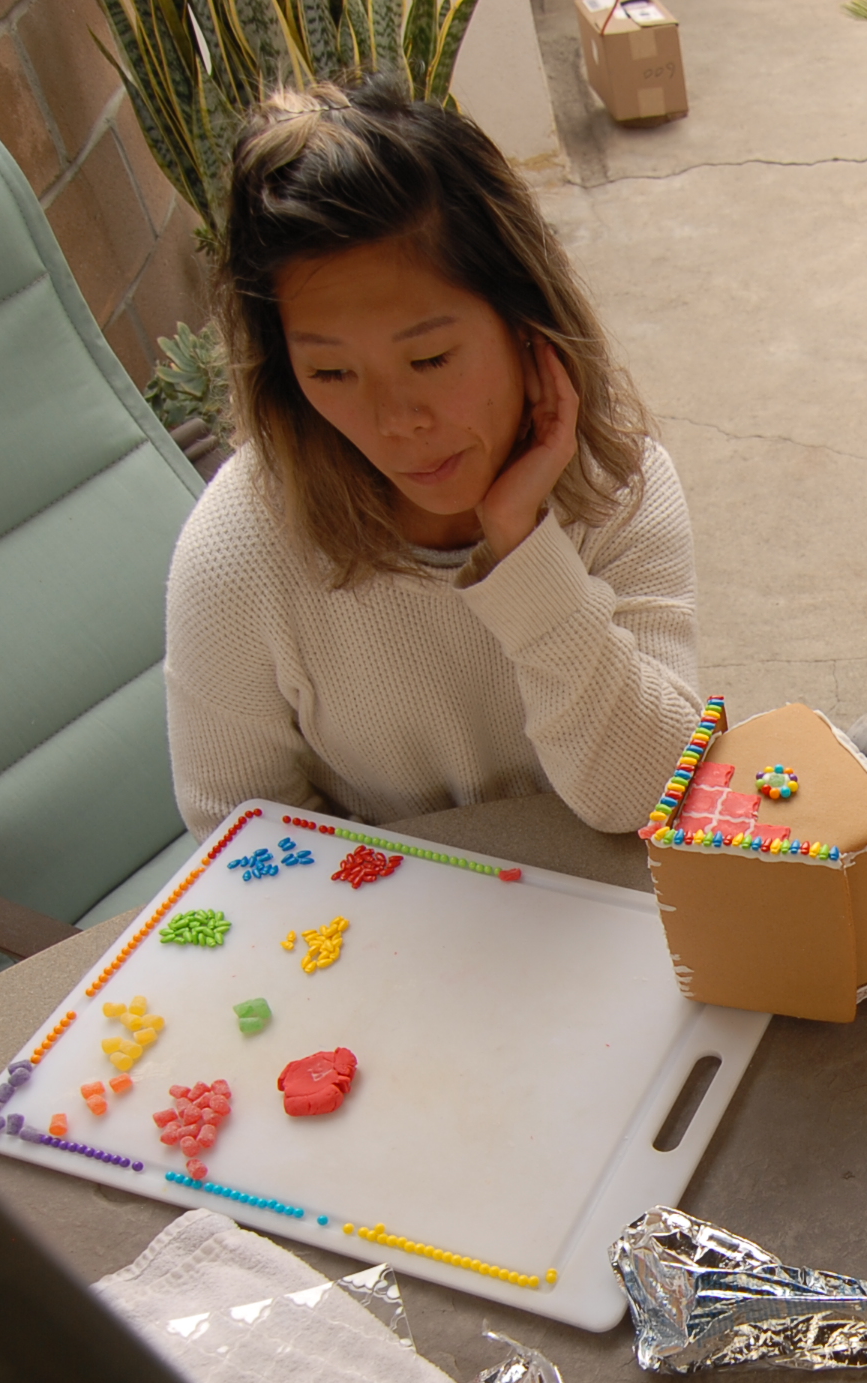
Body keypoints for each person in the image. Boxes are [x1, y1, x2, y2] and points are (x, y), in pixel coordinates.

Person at [165, 77, 700, 838]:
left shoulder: (616, 489)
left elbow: (652, 797)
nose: (396, 422)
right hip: (377, 907)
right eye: (331, 373)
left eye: (431, 359)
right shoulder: (240, 550)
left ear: (524, 323)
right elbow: (238, 834)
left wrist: (523, 546)